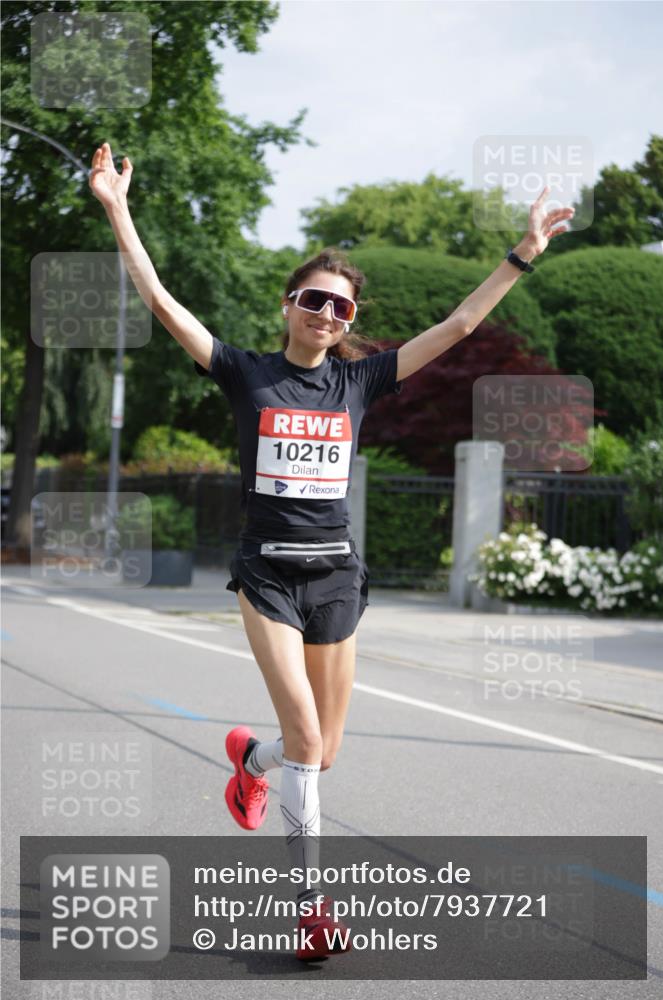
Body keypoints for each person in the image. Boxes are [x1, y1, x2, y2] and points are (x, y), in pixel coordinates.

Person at [90, 141, 574, 960]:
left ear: (349, 321)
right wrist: (117, 207)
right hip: (268, 576)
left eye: (341, 308)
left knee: (322, 750)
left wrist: (522, 252)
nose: (326, 314)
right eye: (314, 300)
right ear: (289, 304)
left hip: (337, 579)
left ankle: (252, 761)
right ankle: (311, 909)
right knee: (310, 744)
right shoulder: (245, 373)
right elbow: (164, 303)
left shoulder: (359, 381)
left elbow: (458, 325)